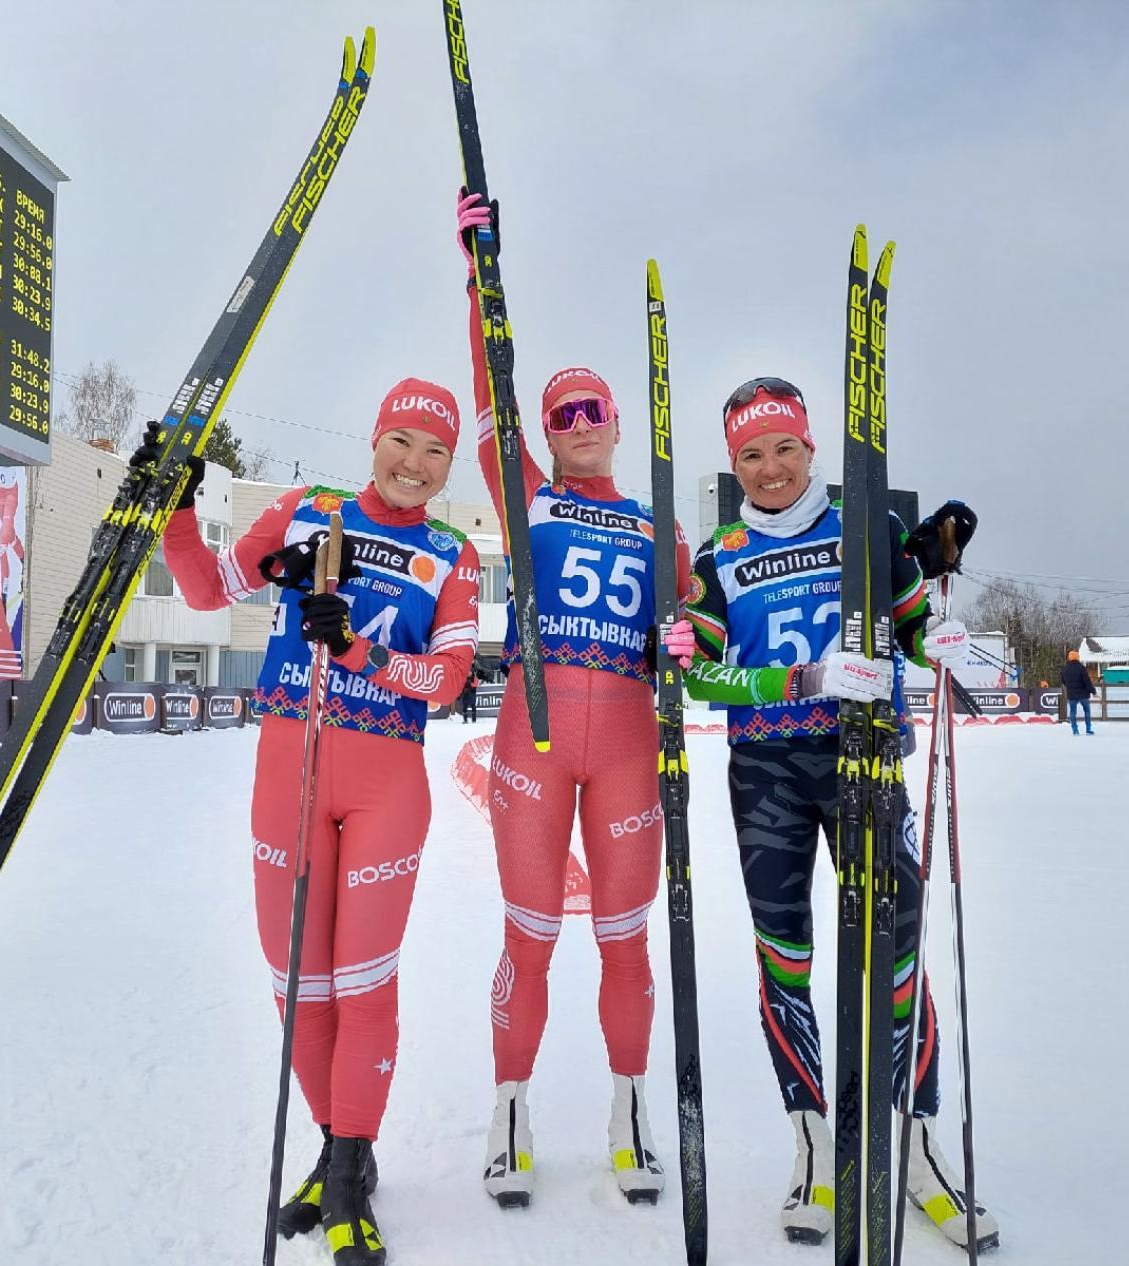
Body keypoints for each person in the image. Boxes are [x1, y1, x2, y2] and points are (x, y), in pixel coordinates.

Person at [145, 378, 480, 1266]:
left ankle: (345, 1175)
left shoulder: (451, 552)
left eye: (435, 450)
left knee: (365, 985)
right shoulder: (307, 511)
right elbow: (211, 590)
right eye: (401, 441)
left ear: (449, 465)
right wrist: (177, 508)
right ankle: (340, 1152)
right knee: (299, 987)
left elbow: (446, 681)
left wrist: (359, 648)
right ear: (374, 439)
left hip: (385, 784)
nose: (414, 463)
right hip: (287, 768)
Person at [675, 376, 996, 1249]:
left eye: (785, 448)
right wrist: (795, 678)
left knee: (895, 947)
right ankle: (813, 1141)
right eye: (751, 454)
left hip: (862, 759)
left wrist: (940, 634)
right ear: (734, 463)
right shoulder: (720, 551)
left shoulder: (868, 529)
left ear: (812, 448)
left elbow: (909, 628)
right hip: (768, 772)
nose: (771, 467)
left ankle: (916, 1141)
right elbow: (700, 672)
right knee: (786, 952)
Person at [455, 190, 692, 1209]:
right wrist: (480, 270)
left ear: (617, 423)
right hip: (535, 738)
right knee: (530, 934)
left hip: (630, 743)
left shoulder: (657, 522)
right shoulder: (526, 493)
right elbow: (486, 388)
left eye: (593, 410)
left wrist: (687, 635)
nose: (579, 425)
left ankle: (628, 1109)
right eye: (563, 415)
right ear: (546, 433)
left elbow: (700, 624)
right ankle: (509, 1111)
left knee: (625, 939)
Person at [1062, 649, 1096, 735]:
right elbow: (1087, 681)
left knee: (1073, 712)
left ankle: (1075, 730)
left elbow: (1064, 681)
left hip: (1072, 694)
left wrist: (1070, 687)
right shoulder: (1081, 668)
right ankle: (1088, 729)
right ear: (1077, 657)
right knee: (1087, 711)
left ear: (1069, 658)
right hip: (1083, 694)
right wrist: (1093, 691)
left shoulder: (1065, 669)